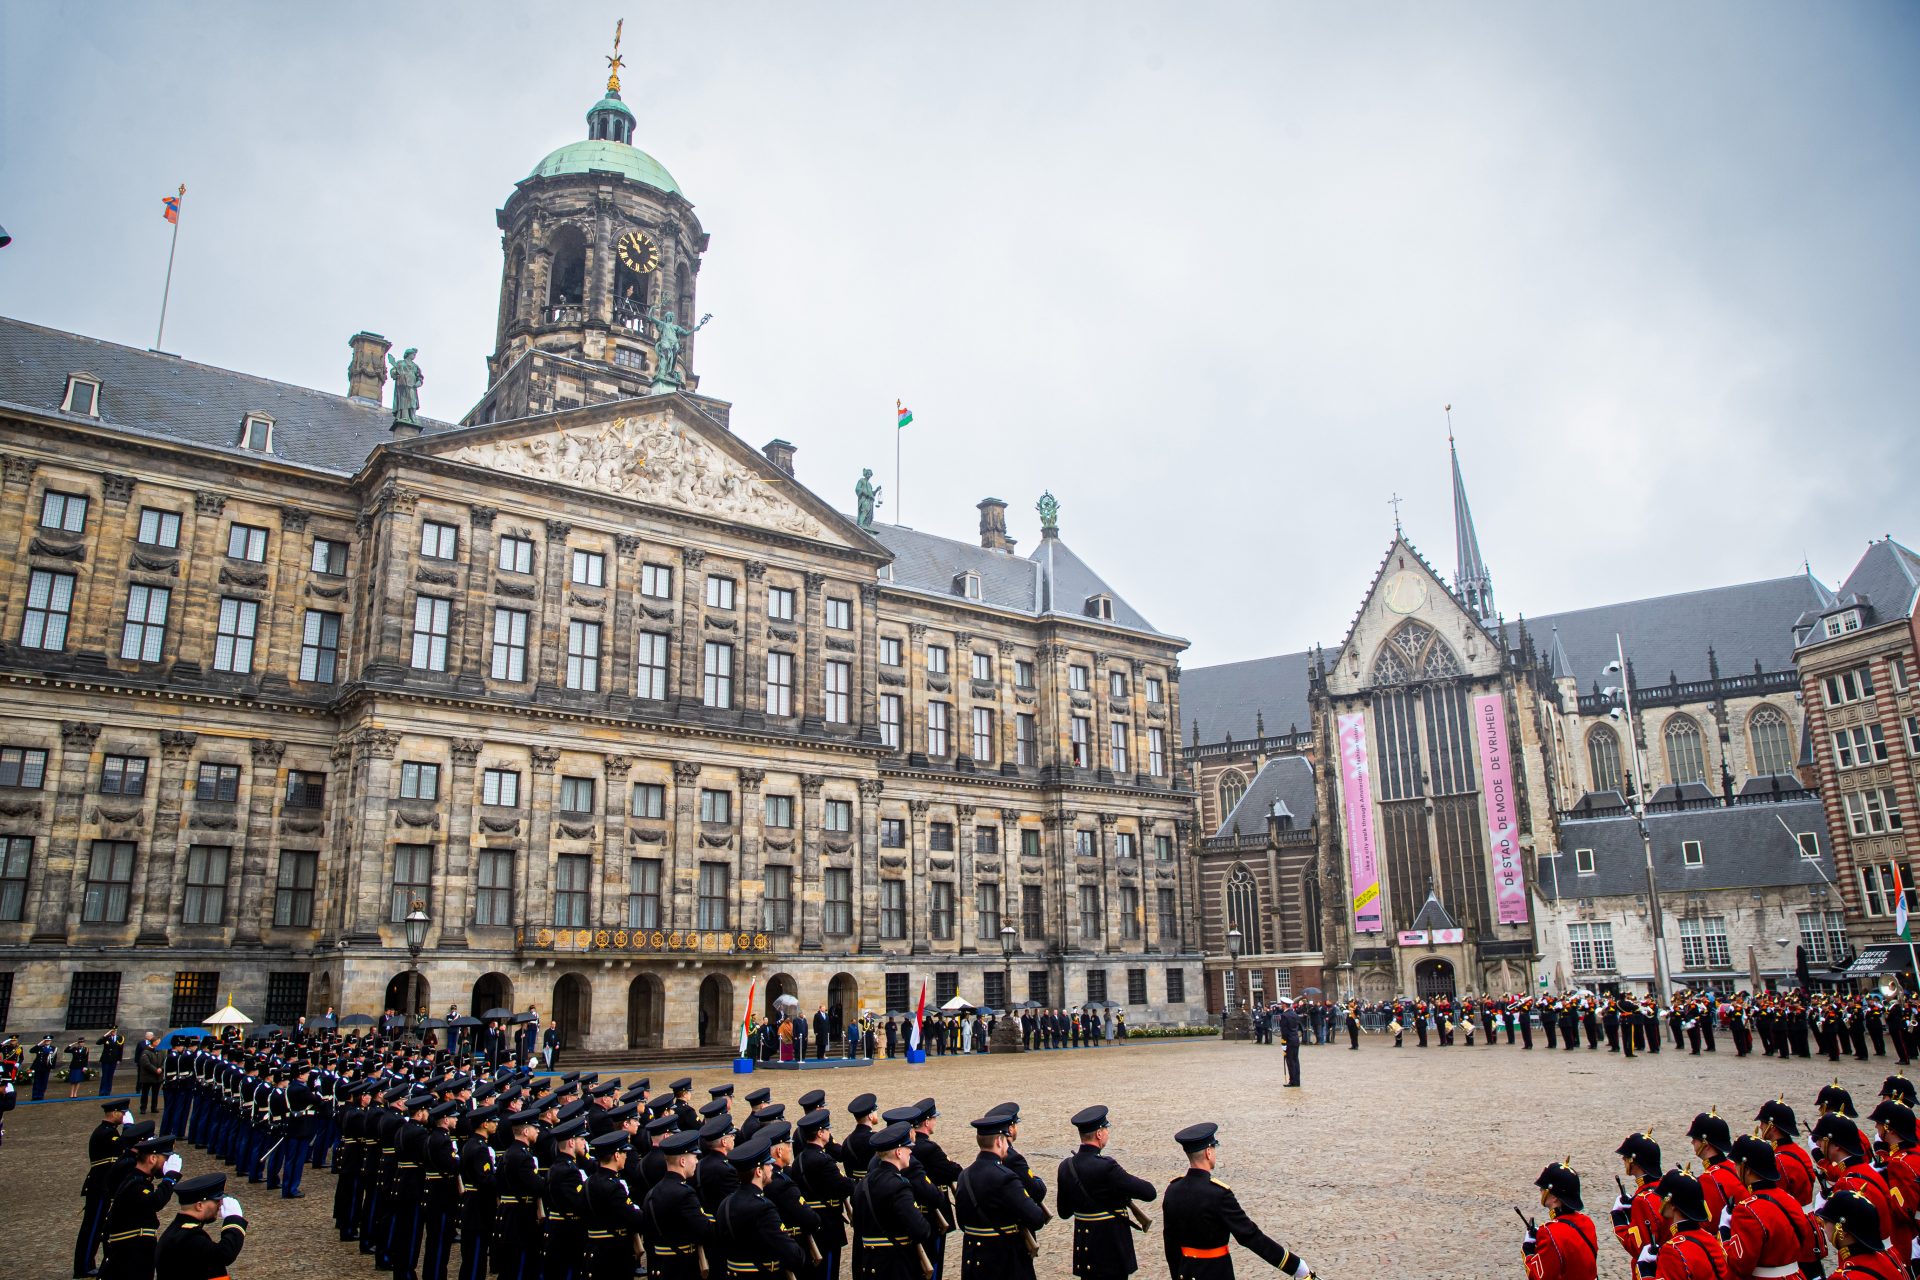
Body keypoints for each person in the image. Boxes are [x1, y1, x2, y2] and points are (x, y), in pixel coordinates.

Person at [1162, 1123, 1311, 1279]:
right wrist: (1295, 1266)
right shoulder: (1218, 1194)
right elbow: (1250, 1236)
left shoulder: (1172, 1190)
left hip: (1185, 1274)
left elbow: (1170, 1243)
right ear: (1208, 1152)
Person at [1057, 1106, 1155, 1280]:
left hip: (1085, 1248)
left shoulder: (1066, 1167)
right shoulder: (1107, 1166)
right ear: (1099, 1134)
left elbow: (1064, 1213)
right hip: (1111, 1249)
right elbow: (1149, 1193)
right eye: (1106, 1129)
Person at [956, 1113, 1049, 1280]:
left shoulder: (965, 1175)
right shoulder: (1005, 1177)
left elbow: (962, 1222)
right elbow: (1036, 1218)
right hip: (1004, 1261)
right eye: (1005, 1140)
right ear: (999, 1141)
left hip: (974, 1260)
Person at [1722, 1135, 1814, 1280]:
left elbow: (1740, 1265)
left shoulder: (1747, 1210)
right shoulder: (1789, 1199)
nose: (1735, 1168)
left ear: (1746, 1168)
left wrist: (1725, 1233)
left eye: (1737, 1164)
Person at [850, 1122, 934, 1280]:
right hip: (896, 1266)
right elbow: (920, 1230)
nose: (910, 1151)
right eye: (907, 1147)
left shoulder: (863, 1184)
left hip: (869, 1265)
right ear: (898, 1152)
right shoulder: (899, 1186)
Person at [99, 1133, 184, 1280]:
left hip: (134, 1252)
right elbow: (156, 1201)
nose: (166, 1164)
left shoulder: (138, 1179)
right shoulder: (135, 1184)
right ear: (153, 1158)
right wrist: (170, 1177)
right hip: (130, 1256)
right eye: (165, 1159)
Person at [76, 1097, 132, 1278]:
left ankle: (87, 1263)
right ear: (114, 1113)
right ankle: (84, 1265)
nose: (123, 1116)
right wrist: (129, 1129)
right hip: (99, 1186)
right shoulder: (107, 1133)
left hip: (102, 1185)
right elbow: (123, 1146)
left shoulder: (108, 1131)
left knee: (96, 1226)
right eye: (122, 1113)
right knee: (93, 1227)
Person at [154, 1172, 246, 1280]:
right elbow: (224, 1254)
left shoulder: (177, 1230)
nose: (220, 1204)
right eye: (216, 1200)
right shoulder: (189, 1237)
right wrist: (234, 1220)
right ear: (199, 1205)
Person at [1521, 1161, 1596, 1280]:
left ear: (1555, 1197)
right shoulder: (1587, 1222)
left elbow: (1540, 1276)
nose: (1541, 1190)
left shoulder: (1549, 1233)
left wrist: (1528, 1250)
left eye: (1543, 1188)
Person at [1650, 1170, 1726, 1280]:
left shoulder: (1672, 1250)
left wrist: (1645, 1272)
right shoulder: (1709, 1238)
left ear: (1672, 1204)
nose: (1660, 1200)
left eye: (1663, 1198)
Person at [1815, 1189, 1907, 1279]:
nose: (1824, 1227)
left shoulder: (1844, 1277)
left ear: (1842, 1230)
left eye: (1826, 1221)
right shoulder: (1885, 1261)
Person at [135, 1034, 164, 1117]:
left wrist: (161, 1068)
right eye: (158, 1042)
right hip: (148, 1076)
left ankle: (154, 1107)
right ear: (153, 1042)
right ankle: (143, 1108)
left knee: (155, 1093)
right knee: (145, 1093)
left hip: (157, 1077)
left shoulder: (161, 1051)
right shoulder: (146, 1051)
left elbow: (164, 1061)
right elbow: (146, 1064)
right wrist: (155, 1070)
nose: (159, 1043)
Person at [1278, 1004, 1302, 1088]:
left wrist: (1283, 1042)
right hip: (1295, 1039)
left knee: (1290, 1061)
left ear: (1284, 1005)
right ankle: (1297, 1080)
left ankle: (1292, 1081)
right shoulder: (1294, 1014)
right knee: (1296, 1060)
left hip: (1289, 1040)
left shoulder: (1284, 1016)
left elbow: (1284, 1031)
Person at [99, 1029, 126, 1097]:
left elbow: (121, 1049)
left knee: (110, 1076)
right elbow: (98, 1042)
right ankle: (102, 1091)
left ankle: (108, 1091)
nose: (113, 1032)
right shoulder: (107, 1038)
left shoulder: (120, 1038)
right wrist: (105, 1035)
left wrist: (119, 1059)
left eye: (114, 1031)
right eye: (112, 1031)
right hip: (106, 1059)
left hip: (114, 1059)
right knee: (105, 1075)